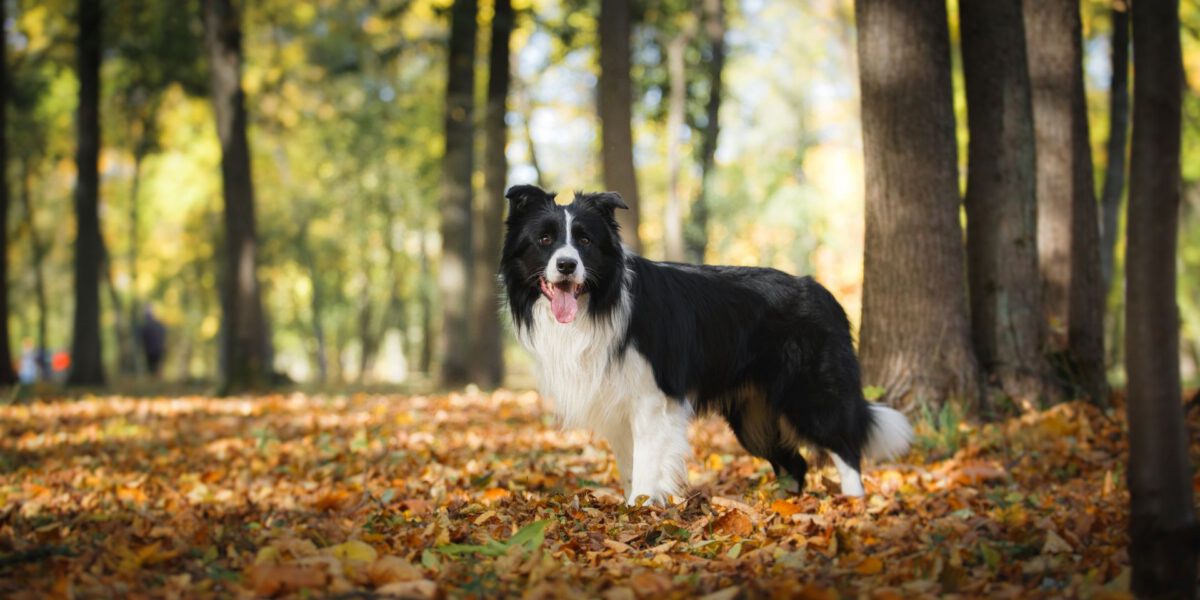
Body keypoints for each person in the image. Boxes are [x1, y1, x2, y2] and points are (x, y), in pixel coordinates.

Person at [138, 306, 167, 377]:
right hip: (158, 349)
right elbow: (163, 334)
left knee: (152, 367)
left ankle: (154, 380)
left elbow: (143, 338)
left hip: (151, 350)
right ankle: (155, 379)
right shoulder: (159, 324)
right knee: (156, 367)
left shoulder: (146, 326)